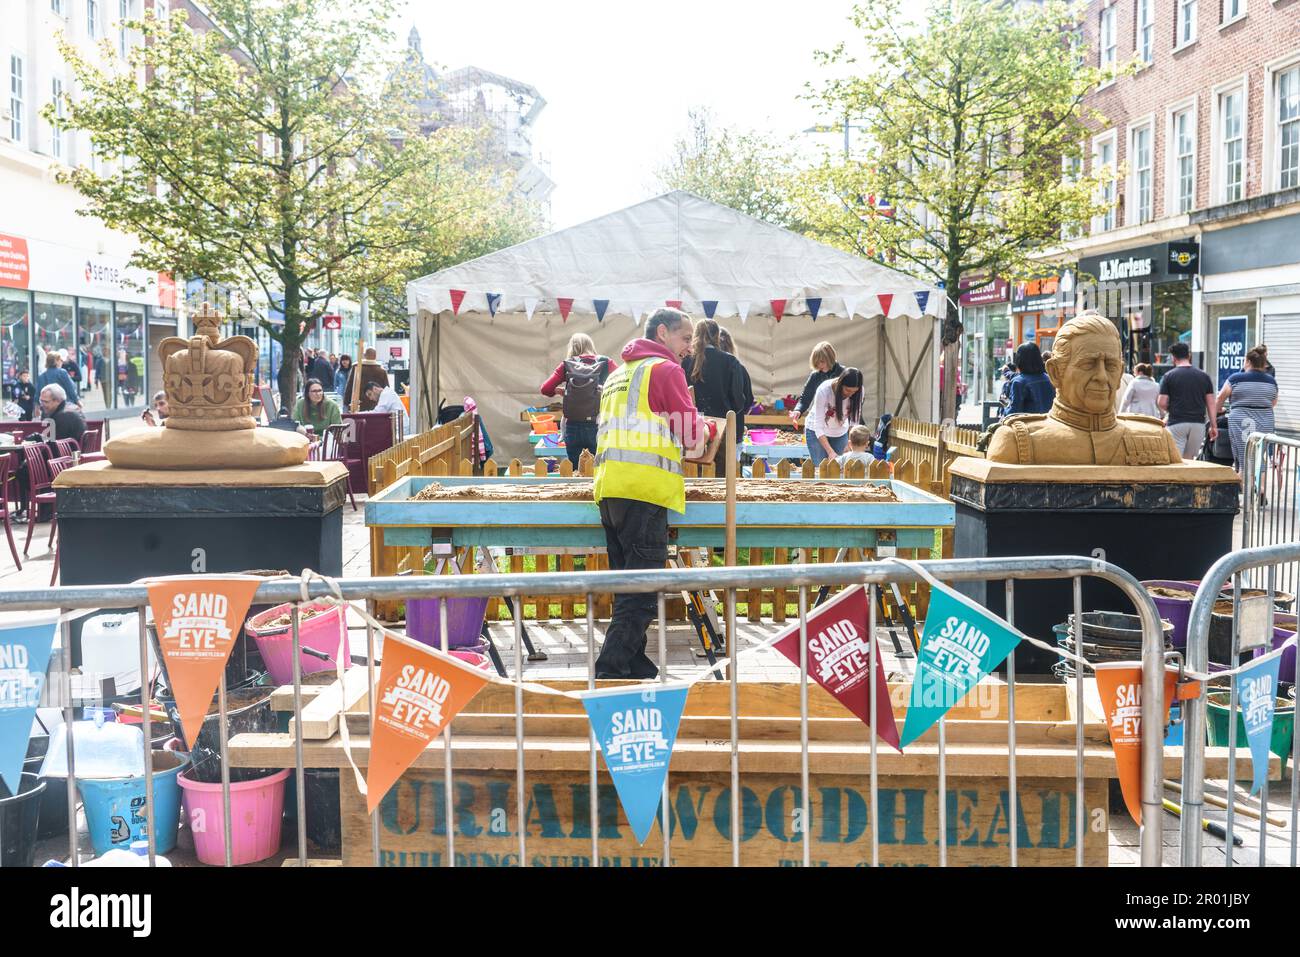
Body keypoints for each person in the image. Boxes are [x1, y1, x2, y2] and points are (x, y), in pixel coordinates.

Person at [593, 307, 710, 680]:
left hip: (611, 488)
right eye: (685, 338)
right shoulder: (665, 370)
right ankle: (611, 668)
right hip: (644, 491)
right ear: (663, 333)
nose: (690, 347)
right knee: (641, 591)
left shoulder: (619, 374)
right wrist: (708, 429)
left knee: (625, 584)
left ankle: (634, 661)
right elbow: (691, 436)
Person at [987, 312, 1182, 465]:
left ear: (1121, 371)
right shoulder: (1018, 442)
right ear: (1055, 373)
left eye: (1111, 366)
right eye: (1088, 364)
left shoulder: (1158, 439)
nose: (1102, 376)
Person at [680, 319, 750, 475]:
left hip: (694, 426)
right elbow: (738, 400)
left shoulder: (686, 361)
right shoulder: (730, 361)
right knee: (721, 477)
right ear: (717, 336)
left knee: (694, 476)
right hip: (723, 427)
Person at [540, 333, 616, 469]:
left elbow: (545, 389)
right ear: (590, 345)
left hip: (572, 426)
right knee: (598, 469)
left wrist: (560, 391)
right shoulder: (606, 363)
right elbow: (622, 384)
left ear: (572, 348)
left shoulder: (567, 365)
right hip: (598, 424)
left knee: (575, 470)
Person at [1217, 347, 1278, 473]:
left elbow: (1220, 399)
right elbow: (1273, 402)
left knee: (1243, 454)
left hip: (1241, 421)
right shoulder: (1271, 381)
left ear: (1248, 362)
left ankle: (1244, 485)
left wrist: (1219, 410)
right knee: (1258, 455)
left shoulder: (1235, 378)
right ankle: (1259, 488)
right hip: (1265, 421)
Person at [1158, 341, 1217, 461]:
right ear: (1189, 355)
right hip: (1198, 424)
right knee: (1189, 460)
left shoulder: (1169, 376)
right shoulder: (1204, 376)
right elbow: (1211, 403)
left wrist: (1172, 409)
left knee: (1176, 460)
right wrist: (1213, 425)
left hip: (1177, 423)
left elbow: (1162, 402)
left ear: (1173, 358)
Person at [807, 367, 864, 465]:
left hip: (840, 433)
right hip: (816, 431)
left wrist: (849, 443)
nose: (850, 394)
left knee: (842, 468)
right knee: (822, 467)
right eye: (847, 390)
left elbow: (854, 422)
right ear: (840, 383)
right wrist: (830, 451)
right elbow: (818, 426)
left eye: (854, 391)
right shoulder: (824, 390)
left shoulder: (860, 392)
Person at [791, 342, 844, 431]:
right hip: (821, 420)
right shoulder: (815, 375)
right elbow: (805, 398)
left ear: (830, 358)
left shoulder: (844, 373)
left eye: (822, 361)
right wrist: (798, 410)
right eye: (816, 362)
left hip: (840, 420)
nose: (819, 365)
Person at [1004, 342, 1055, 416]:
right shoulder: (1048, 378)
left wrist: (1005, 408)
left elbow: (1013, 412)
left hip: (1029, 424)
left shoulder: (1018, 382)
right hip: (1049, 422)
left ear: (1019, 359)